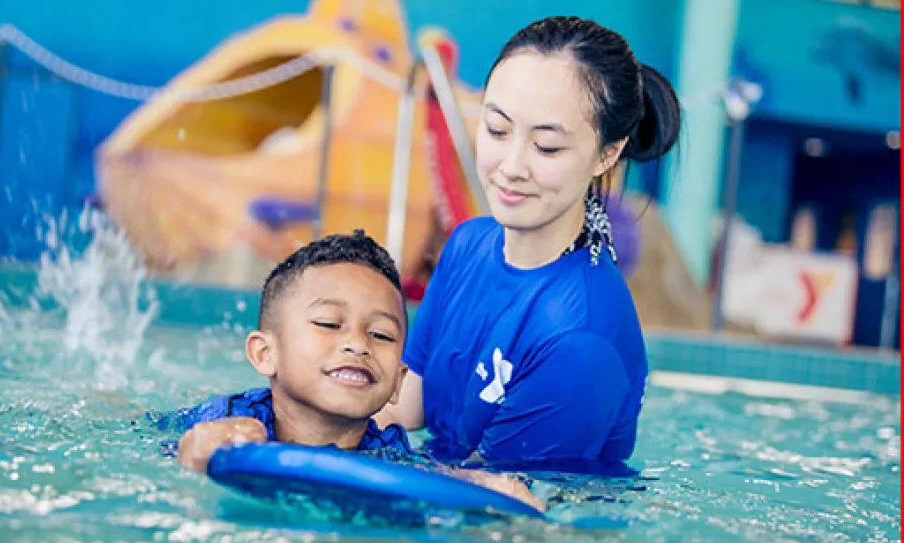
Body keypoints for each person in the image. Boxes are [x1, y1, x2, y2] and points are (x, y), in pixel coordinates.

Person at [375, 16, 681, 464]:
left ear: (607, 153)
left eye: (547, 147)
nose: (512, 165)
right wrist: (281, 419)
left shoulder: (580, 339)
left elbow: (499, 508)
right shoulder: (468, 245)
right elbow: (410, 401)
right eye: (497, 130)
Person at [151, 231, 543, 510]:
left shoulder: (388, 456)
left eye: (381, 334)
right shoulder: (229, 424)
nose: (358, 344)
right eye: (328, 323)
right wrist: (195, 459)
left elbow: (437, 478)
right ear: (264, 353)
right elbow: (177, 466)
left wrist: (491, 489)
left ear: (397, 384)